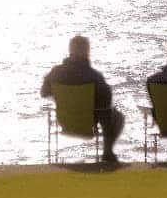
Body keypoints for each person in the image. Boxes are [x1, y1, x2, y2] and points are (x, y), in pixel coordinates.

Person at [41, 35, 125, 163]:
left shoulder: (56, 72)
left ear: (70, 50)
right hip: (88, 123)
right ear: (87, 52)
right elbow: (107, 101)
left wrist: (62, 98)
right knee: (115, 116)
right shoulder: (95, 76)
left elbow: (44, 93)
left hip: (65, 121)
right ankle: (107, 152)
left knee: (105, 110)